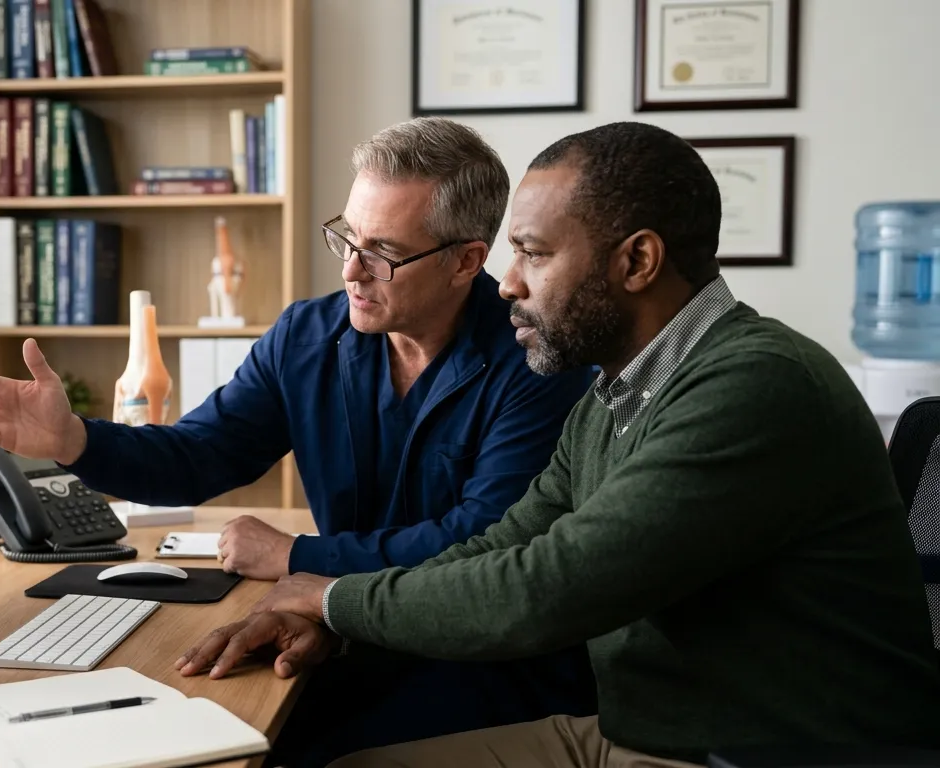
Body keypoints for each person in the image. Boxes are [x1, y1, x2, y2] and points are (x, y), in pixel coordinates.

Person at [173, 121, 940, 768]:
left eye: (533, 254)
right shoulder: (615, 392)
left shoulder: (752, 387)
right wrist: (331, 621)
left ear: (636, 262)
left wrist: (329, 594)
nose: (506, 283)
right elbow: (504, 542)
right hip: (640, 731)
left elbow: (541, 589)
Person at [0, 117, 596, 763]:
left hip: (481, 665)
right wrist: (75, 439)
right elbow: (198, 455)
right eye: (347, 239)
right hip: (348, 634)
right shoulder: (306, 337)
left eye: (384, 253)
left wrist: (296, 556)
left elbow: (479, 545)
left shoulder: (536, 361)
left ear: (466, 261)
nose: (352, 272)